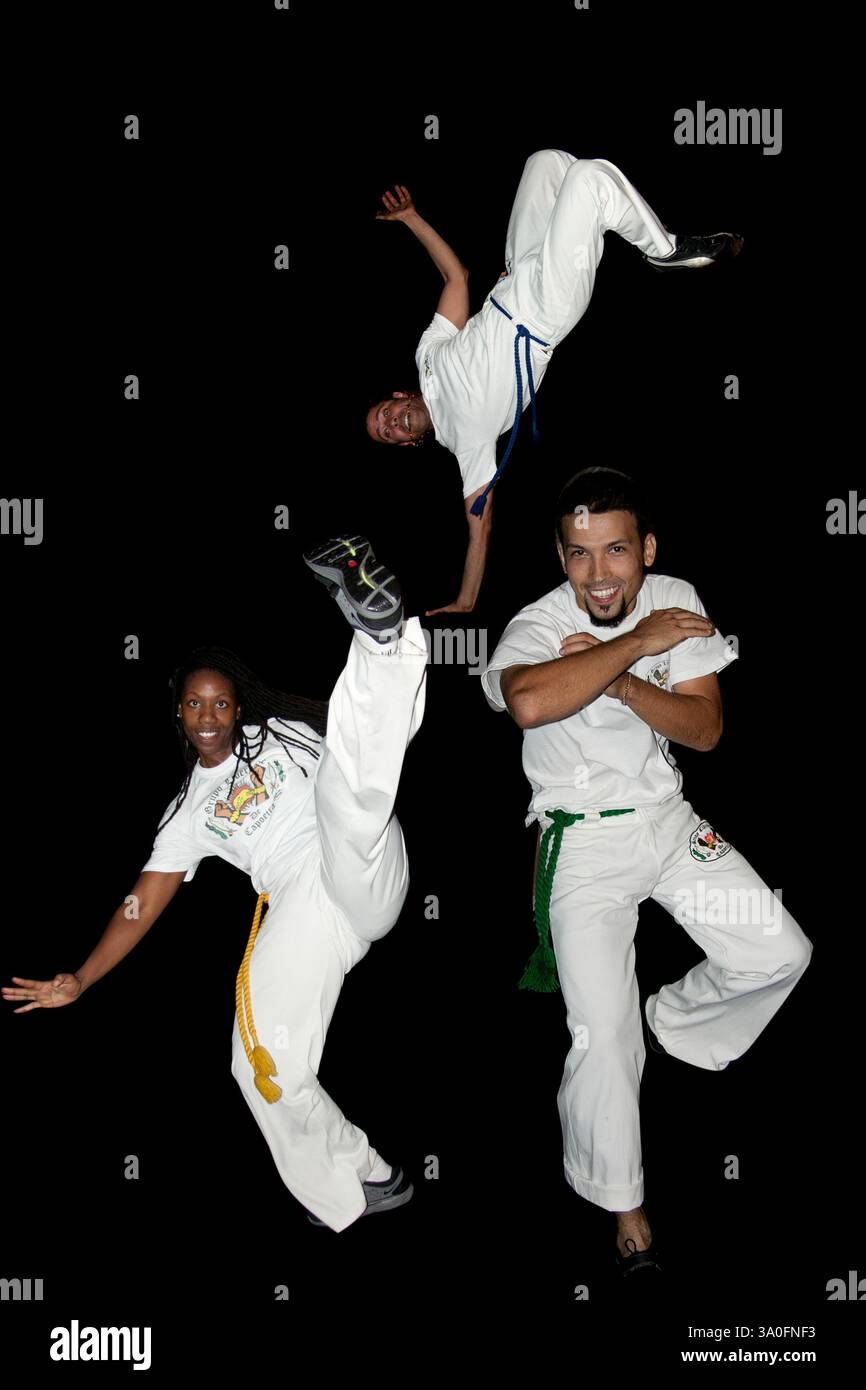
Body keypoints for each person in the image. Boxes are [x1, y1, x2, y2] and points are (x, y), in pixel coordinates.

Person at [2, 536, 429, 1234]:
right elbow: (140, 904)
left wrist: (362, 707)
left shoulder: (284, 733)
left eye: (221, 704)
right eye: (195, 705)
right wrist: (80, 978)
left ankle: (380, 640)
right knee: (254, 1059)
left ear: (239, 708)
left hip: (357, 857)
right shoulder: (187, 812)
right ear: (179, 713)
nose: (208, 716)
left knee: (355, 788)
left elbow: (375, 740)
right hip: (307, 910)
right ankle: (367, 1176)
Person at [479, 467, 812, 1277]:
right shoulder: (535, 623)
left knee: (782, 952)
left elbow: (703, 729)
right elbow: (526, 702)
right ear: (561, 557)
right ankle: (626, 1208)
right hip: (581, 849)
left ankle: (671, 1022)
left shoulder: (677, 596)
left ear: (647, 549)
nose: (600, 574)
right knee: (600, 1040)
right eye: (580, 554)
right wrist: (631, 644)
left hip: (667, 825)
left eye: (617, 550)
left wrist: (624, 678)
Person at [365, 151, 742, 615]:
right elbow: (478, 532)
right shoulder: (467, 446)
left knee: (547, 163)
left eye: (384, 415)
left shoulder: (427, 357)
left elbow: (456, 276)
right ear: (408, 443)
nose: (391, 423)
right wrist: (465, 600)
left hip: (514, 275)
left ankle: (634, 226)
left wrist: (410, 218)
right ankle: (665, 250)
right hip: (546, 309)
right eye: (389, 434)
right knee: (590, 179)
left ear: (397, 396)